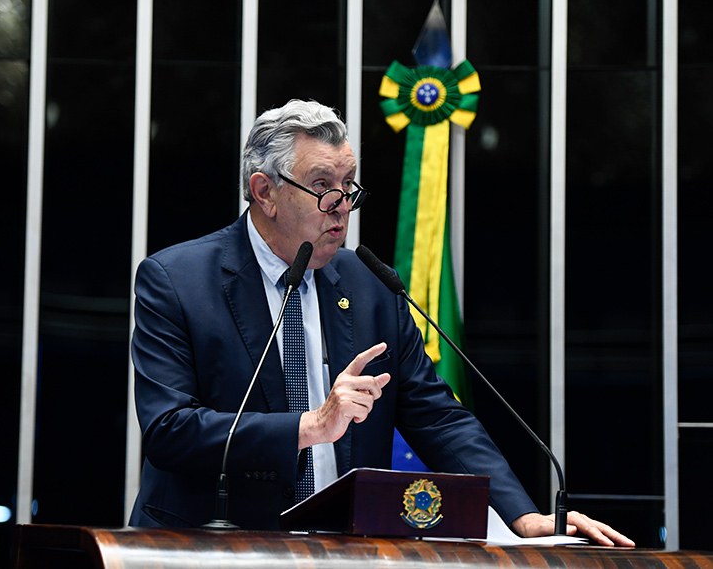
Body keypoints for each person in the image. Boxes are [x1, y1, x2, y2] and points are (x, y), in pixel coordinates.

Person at [128, 99, 634, 547]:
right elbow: (170, 429)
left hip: (342, 549)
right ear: (265, 192)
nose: (342, 206)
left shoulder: (371, 286)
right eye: (322, 186)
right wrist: (310, 426)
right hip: (210, 544)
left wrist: (521, 517)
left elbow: (438, 418)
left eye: (348, 185)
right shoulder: (177, 281)